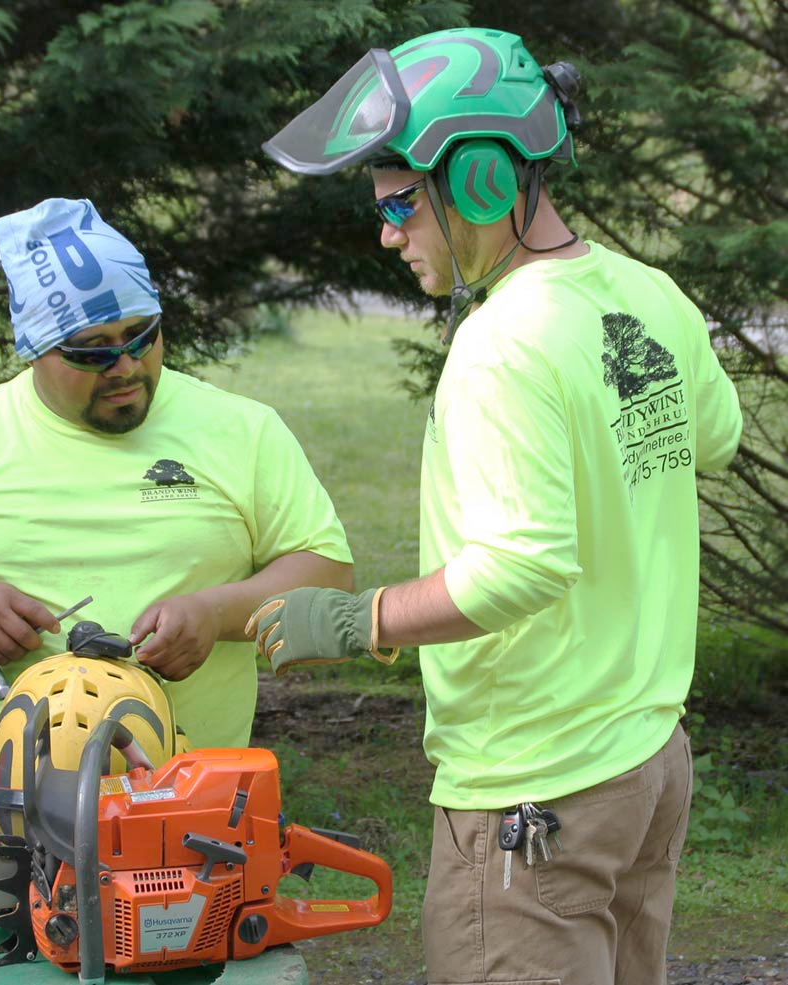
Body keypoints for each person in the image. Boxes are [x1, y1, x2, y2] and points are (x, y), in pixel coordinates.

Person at [248, 27, 743, 985]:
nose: (386, 233)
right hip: (646, 762)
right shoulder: (647, 294)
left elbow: (524, 561)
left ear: (478, 180)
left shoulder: (500, 344)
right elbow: (710, 438)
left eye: (399, 204)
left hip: (537, 785)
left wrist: (358, 618)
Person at [0, 197, 354, 849]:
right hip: (4, 810)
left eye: (144, 336)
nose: (127, 367)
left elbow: (329, 573)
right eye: (93, 351)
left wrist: (216, 612)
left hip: (193, 812)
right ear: (33, 349)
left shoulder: (242, 429)